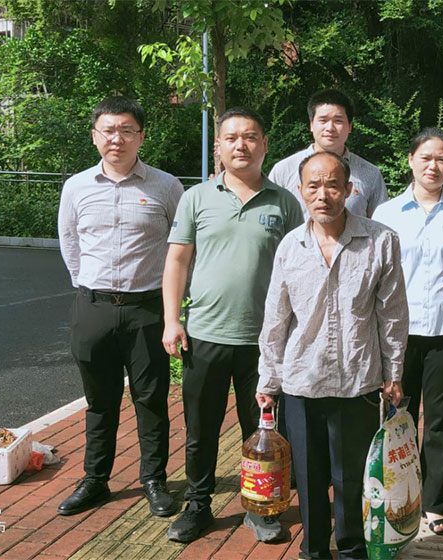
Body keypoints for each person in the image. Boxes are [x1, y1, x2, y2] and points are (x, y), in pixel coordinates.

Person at [256, 150, 409, 559]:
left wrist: (394, 373)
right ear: (301, 191)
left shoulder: (381, 240)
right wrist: (268, 380)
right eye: (313, 186)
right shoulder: (291, 245)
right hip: (301, 381)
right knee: (307, 478)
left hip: (357, 380)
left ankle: (352, 548)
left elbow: (393, 315)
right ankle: (313, 550)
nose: (322, 194)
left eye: (332, 185)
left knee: (351, 477)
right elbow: (276, 318)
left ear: (348, 189)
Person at [162, 107, 303, 543]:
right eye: (232, 138)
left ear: (264, 145)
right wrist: (171, 320)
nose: (241, 145)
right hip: (205, 335)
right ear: (219, 147)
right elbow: (177, 260)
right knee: (200, 430)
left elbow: (301, 268)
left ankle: (260, 507)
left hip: (265, 342)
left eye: (250, 137)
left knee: (263, 430)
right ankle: (198, 505)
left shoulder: (285, 202)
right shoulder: (196, 197)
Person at [57, 96, 183, 517]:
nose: (117, 138)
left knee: (151, 399)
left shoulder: (166, 186)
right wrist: (90, 286)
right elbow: (70, 244)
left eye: (127, 130)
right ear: (95, 136)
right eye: (108, 130)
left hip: (147, 310)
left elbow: (181, 247)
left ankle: (154, 480)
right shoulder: (76, 187)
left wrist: (172, 307)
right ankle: (95, 480)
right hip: (92, 308)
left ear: (141, 137)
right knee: (100, 400)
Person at [372, 127, 443, 536]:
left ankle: (435, 504)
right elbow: (374, 276)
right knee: (394, 419)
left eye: (442, 159)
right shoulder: (386, 214)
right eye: (426, 157)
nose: (433, 166)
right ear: (410, 160)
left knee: (441, 422)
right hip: (396, 335)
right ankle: (393, 497)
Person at [269, 88, 388, 219]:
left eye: (338, 121)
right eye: (323, 120)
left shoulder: (370, 174)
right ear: (311, 125)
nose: (330, 128)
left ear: (349, 126)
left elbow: (381, 223)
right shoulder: (283, 171)